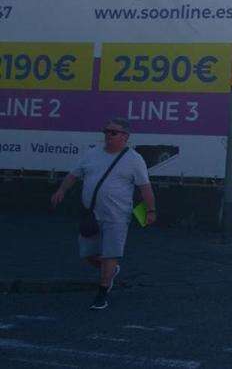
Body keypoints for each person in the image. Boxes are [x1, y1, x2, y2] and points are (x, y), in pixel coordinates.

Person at [50, 118, 156, 311]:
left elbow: (145, 187)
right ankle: (111, 270)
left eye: (113, 132)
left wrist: (150, 210)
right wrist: (61, 190)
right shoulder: (92, 154)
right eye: (106, 131)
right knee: (88, 254)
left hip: (117, 216)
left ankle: (102, 292)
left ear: (125, 137)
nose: (108, 135)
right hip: (91, 214)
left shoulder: (134, 159)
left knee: (110, 253)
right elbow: (74, 174)